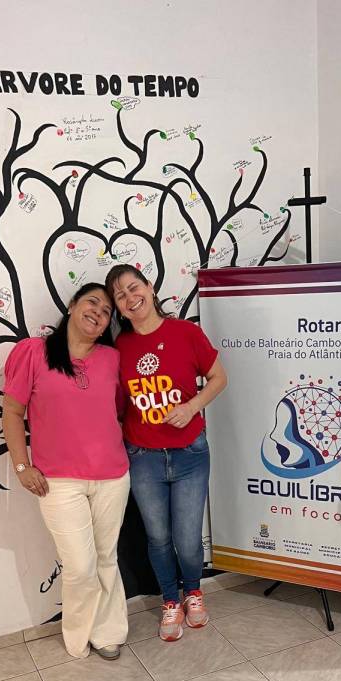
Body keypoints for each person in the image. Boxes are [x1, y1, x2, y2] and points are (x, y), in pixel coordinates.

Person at [2, 283, 130, 660]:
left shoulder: (112, 358)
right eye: (92, 302)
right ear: (72, 305)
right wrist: (22, 466)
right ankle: (77, 636)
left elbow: (118, 411)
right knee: (79, 566)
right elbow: (12, 412)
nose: (98, 313)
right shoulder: (34, 353)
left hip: (112, 476)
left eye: (106, 311)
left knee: (106, 558)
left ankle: (108, 632)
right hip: (58, 482)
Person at [105, 265, 227, 641]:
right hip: (143, 457)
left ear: (150, 287)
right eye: (120, 295)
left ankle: (194, 592)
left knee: (188, 539)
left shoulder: (186, 333)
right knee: (157, 537)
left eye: (134, 287)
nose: (130, 298)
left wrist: (192, 407)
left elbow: (219, 377)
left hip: (190, 454)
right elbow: (117, 406)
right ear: (117, 307)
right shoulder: (119, 349)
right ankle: (170, 600)